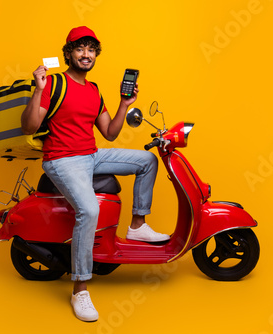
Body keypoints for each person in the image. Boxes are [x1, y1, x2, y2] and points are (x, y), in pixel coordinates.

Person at [21, 26, 169, 322]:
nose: (85, 54)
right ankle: (80, 288)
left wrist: (124, 104)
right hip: (62, 160)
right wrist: (38, 90)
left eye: (90, 49)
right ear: (69, 53)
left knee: (146, 161)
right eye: (79, 48)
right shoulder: (53, 83)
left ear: (95, 55)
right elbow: (29, 126)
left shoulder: (94, 90)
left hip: (91, 155)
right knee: (88, 210)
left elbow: (110, 133)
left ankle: (137, 225)